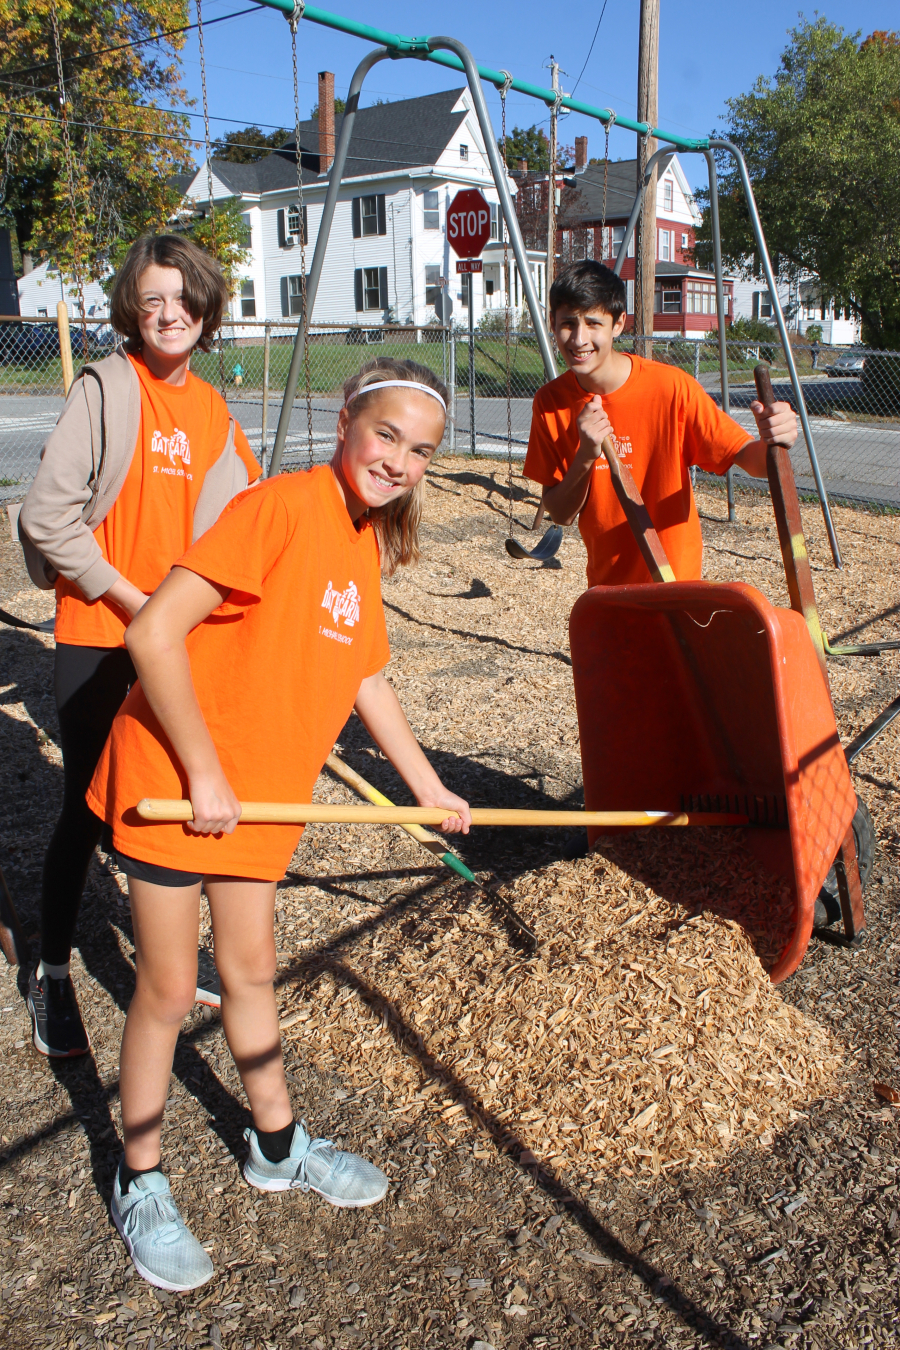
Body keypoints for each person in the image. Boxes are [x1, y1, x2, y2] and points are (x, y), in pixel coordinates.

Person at [85, 358, 470, 1292]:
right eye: (387, 436)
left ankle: (277, 1145)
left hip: (257, 797)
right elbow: (153, 632)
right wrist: (205, 769)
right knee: (171, 991)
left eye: (420, 451)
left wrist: (423, 785)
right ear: (347, 421)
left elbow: (362, 672)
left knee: (251, 972)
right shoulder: (279, 508)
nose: (400, 461)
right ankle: (141, 1180)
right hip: (177, 784)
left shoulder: (360, 537)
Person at [17, 235, 261, 1058]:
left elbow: (246, 522)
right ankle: (50, 973)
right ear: (133, 306)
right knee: (89, 809)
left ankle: (160, 965)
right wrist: (134, 602)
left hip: (175, 642)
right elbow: (45, 517)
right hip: (100, 635)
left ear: (205, 308)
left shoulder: (214, 410)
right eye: (153, 299)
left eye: (184, 299)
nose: (169, 314)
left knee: (163, 812)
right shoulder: (107, 389)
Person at [524, 260, 799, 587]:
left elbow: (750, 459)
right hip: (610, 591)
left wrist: (774, 440)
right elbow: (560, 514)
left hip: (675, 587)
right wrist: (585, 454)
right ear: (552, 324)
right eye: (567, 323)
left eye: (593, 323)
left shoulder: (671, 389)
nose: (579, 338)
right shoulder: (550, 403)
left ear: (618, 323)